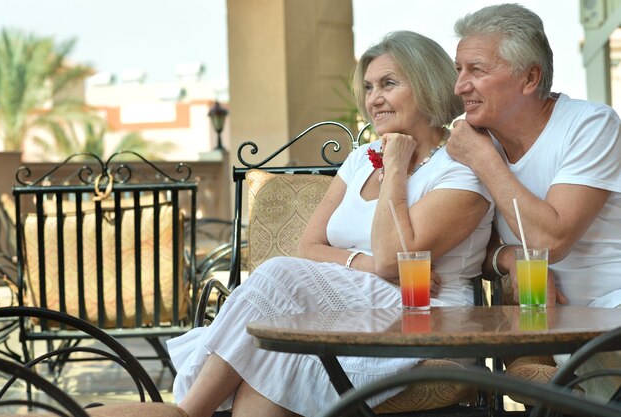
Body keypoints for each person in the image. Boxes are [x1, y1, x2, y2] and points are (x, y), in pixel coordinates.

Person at [167, 30, 494, 417]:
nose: (374, 98)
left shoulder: (460, 167)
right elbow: (309, 247)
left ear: (427, 85)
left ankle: (189, 411)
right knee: (271, 356)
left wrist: (394, 168)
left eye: (389, 84)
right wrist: (369, 265)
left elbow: (393, 260)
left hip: (429, 315)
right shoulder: (360, 159)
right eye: (370, 87)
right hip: (349, 314)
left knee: (278, 277)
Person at [446, 3, 621, 400]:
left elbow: (551, 242)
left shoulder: (590, 124)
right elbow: (468, 244)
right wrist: (508, 258)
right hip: (549, 323)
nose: (460, 86)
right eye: (459, 70)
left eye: (476, 70)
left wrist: (484, 160)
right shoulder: (473, 142)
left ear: (530, 77)